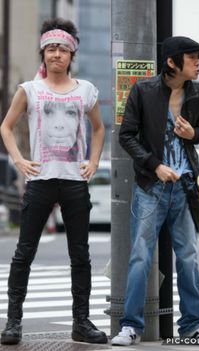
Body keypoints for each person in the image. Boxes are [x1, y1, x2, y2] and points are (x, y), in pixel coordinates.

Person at [0, 18, 107, 345]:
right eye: (50, 48)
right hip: (41, 181)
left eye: (62, 49)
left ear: (71, 53)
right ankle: (13, 322)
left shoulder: (85, 90)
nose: (56, 54)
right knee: (24, 253)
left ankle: (81, 322)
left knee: (81, 254)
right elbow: (6, 126)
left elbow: (99, 129)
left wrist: (93, 161)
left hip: (75, 183)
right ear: (43, 53)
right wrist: (18, 159)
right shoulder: (29, 90)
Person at [111, 36, 199, 346]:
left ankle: (192, 326)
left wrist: (193, 133)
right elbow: (126, 136)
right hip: (151, 186)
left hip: (185, 187)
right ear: (172, 62)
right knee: (140, 256)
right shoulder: (144, 90)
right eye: (192, 58)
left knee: (189, 257)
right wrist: (154, 165)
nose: (198, 64)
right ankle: (131, 326)